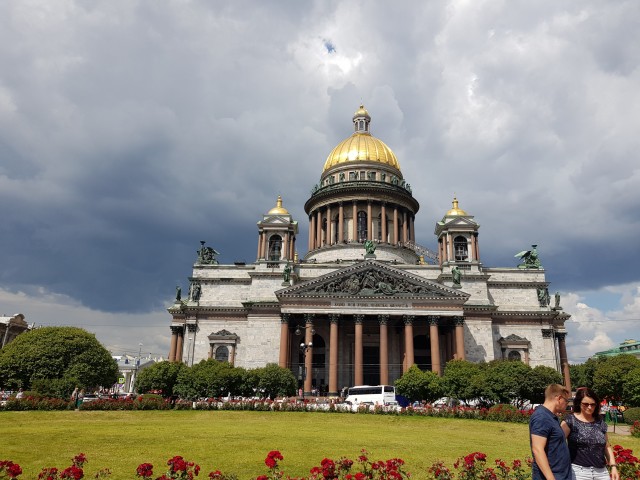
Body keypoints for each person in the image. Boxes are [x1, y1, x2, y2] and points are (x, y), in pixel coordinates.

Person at [561, 388, 619, 480]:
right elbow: (558, 444)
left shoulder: (600, 422)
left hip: (602, 472)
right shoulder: (570, 420)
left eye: (593, 404)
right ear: (579, 403)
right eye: (586, 404)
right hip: (578, 472)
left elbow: (606, 446)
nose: (589, 407)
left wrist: (613, 466)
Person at [530, 384, 572, 480]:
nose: (567, 404)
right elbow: (537, 449)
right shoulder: (542, 417)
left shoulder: (551, 417)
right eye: (566, 401)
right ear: (559, 398)